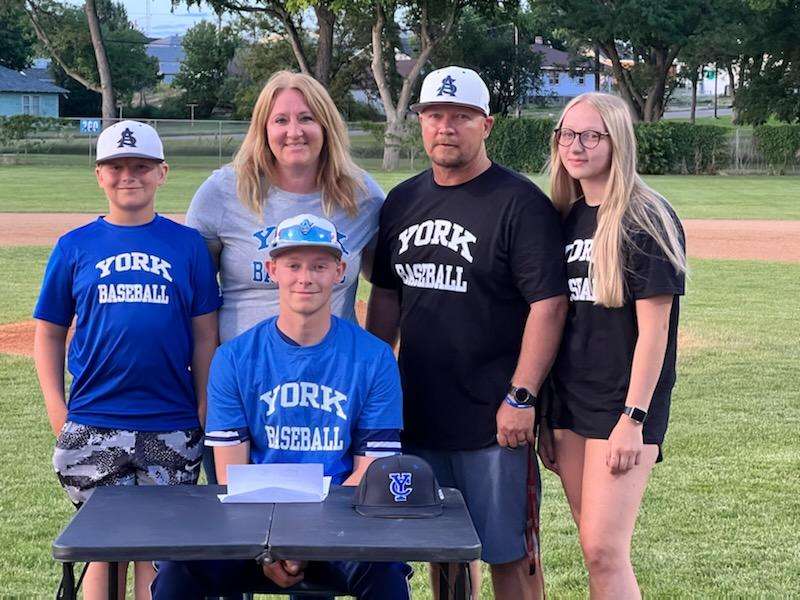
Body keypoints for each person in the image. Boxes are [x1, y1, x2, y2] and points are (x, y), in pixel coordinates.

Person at [367, 66, 568, 600]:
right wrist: (374, 375)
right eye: (434, 115)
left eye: (461, 116)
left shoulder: (518, 202)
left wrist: (521, 397)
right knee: (442, 548)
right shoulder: (403, 201)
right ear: (421, 123)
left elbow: (548, 305)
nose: (445, 127)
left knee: (511, 554)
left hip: (494, 418)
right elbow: (387, 295)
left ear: (487, 125)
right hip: (420, 411)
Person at [152, 214, 412, 599]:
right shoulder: (235, 358)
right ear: (272, 269)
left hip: (341, 524)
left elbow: (368, 471)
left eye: (319, 266)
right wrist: (269, 547)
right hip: (253, 523)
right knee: (178, 570)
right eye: (293, 265)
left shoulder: (373, 358)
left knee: (386, 570)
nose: (305, 278)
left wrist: (309, 541)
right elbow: (232, 474)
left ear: (339, 271)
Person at [33, 120, 221, 599]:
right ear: (99, 174)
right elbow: (50, 334)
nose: (128, 176)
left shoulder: (187, 246)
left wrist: (201, 408)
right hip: (95, 419)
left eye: (141, 166)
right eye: (116, 166)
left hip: (169, 421)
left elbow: (204, 338)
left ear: (163, 173)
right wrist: (60, 411)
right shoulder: (75, 247)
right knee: (102, 543)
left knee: (155, 548)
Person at [186, 70, 385, 483]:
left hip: (332, 387)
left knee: (333, 521)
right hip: (241, 387)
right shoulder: (224, 191)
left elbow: (388, 284)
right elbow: (198, 303)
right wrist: (206, 389)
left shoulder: (361, 195)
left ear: (326, 126)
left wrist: (377, 363)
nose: (294, 131)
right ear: (263, 129)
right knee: (241, 526)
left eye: (307, 118)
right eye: (280, 120)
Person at [537, 92, 687, 599]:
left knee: (605, 550)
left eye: (590, 135)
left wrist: (634, 420)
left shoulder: (646, 217)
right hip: (570, 405)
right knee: (590, 547)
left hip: (622, 408)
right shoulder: (566, 217)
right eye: (567, 134)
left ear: (616, 142)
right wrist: (546, 415)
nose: (574, 145)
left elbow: (656, 333)